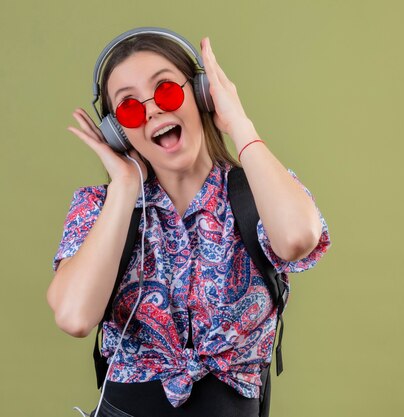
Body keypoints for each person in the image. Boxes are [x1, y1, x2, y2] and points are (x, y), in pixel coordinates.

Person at [47, 28, 331, 417]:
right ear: (119, 131)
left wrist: (240, 124)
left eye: (165, 90)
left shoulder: (259, 193)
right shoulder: (100, 207)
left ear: (200, 95)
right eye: (129, 107)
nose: (152, 110)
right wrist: (125, 187)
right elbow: (75, 316)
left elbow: (299, 238)